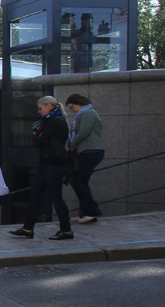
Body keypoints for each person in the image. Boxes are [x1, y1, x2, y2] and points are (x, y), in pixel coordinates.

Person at [9, 96, 73, 240]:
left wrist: (40, 138)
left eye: (41, 108)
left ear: (49, 106)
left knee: (56, 198)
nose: (39, 111)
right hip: (45, 163)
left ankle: (66, 230)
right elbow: (39, 140)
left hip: (54, 163)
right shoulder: (51, 121)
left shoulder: (56, 121)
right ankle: (28, 228)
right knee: (35, 195)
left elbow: (39, 140)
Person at [65, 93, 105, 224]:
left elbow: (83, 132)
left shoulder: (87, 113)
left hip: (91, 151)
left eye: (71, 107)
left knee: (76, 179)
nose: (71, 110)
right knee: (81, 181)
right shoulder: (84, 113)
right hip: (88, 151)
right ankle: (86, 212)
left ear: (77, 103)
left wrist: (71, 145)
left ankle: (92, 211)